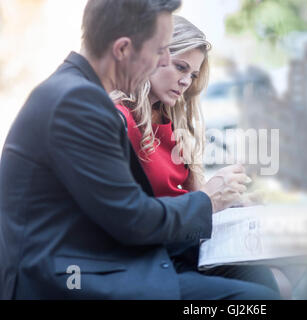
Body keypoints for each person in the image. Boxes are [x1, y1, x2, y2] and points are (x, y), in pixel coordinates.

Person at [0, 0, 279, 300]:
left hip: (95, 264)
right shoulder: (77, 102)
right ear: (122, 49)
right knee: (253, 300)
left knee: (260, 281)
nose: (161, 62)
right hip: (69, 280)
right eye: (160, 51)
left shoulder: (75, 92)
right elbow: (133, 220)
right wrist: (208, 200)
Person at [112, 15, 281, 295]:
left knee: (265, 277)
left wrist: (228, 203)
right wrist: (207, 200)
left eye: (192, 75)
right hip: (146, 262)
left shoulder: (170, 121)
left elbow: (178, 198)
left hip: (181, 249)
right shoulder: (119, 120)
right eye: (181, 68)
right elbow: (129, 213)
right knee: (259, 296)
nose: (186, 82)